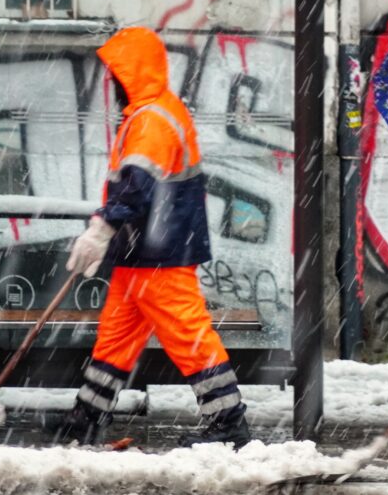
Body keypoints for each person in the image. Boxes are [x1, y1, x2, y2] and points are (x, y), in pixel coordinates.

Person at [52, 26, 252, 448]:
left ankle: (227, 423)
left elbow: (137, 185)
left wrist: (101, 228)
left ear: (133, 73)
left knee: (188, 335)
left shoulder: (152, 120)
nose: (112, 84)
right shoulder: (151, 113)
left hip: (161, 251)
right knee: (115, 338)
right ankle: (86, 418)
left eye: (116, 75)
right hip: (143, 251)